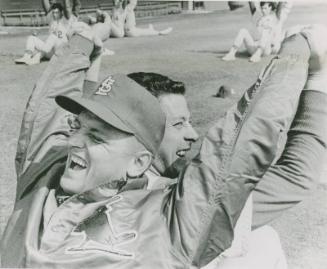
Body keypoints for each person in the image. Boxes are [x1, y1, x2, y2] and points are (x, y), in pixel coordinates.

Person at [1, 26, 327, 268]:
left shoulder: (168, 217)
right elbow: (48, 119)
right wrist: (81, 47)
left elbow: (240, 146)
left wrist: (294, 56)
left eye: (97, 138)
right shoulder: (42, 176)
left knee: (258, 245)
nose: (72, 143)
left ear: (139, 161)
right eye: (80, 128)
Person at [127, 73, 288, 269]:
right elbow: (295, 176)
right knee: (263, 241)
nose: (193, 135)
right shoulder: (159, 196)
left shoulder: (111, 179)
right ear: (137, 133)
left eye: (190, 122)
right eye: (178, 124)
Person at [15, 0, 77, 65]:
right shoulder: (51, 18)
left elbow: (67, 7)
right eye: (53, 12)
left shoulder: (66, 20)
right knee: (31, 38)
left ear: (61, 12)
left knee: (53, 36)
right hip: (50, 52)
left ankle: (37, 57)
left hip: (61, 51)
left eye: (57, 12)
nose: (54, 14)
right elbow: (45, 2)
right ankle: (27, 57)